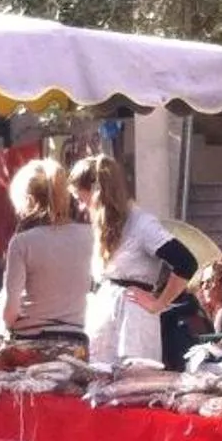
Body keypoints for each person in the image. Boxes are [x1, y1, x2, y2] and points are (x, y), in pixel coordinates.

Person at [68, 152, 198, 368]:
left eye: (82, 199)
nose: (82, 208)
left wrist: (159, 303)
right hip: (108, 314)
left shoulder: (142, 224)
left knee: (132, 382)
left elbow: (185, 262)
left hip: (133, 318)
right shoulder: (108, 227)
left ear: (97, 193)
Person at [0, 159, 91, 350]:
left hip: (30, 345)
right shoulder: (90, 235)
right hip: (76, 344)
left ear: (28, 200)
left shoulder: (22, 242)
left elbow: (10, 313)